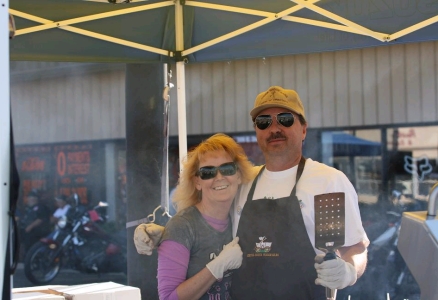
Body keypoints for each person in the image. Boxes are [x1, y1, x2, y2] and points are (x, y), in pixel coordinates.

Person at [135, 86, 369, 299]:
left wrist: (349, 271)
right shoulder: (243, 181)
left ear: (304, 129)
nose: (274, 128)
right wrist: (168, 235)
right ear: (257, 130)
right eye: (264, 121)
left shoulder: (327, 181)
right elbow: (209, 221)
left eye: (285, 119)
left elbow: (355, 247)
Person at [157, 133, 255, 300]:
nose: (219, 177)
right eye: (208, 172)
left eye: (227, 169)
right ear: (197, 182)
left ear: (238, 175)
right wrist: (217, 266)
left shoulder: (240, 219)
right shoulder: (183, 226)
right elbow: (167, 298)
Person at [18, 189, 51, 254]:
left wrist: (30, 226)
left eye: (32, 198)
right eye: (29, 198)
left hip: (36, 233)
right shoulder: (28, 208)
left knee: (32, 248)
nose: (30, 199)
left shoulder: (41, 207)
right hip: (26, 232)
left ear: (36, 199)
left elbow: (40, 219)